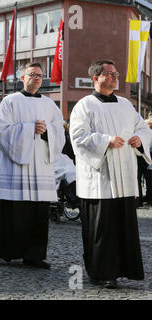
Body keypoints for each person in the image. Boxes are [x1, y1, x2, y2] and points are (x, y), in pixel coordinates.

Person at [69, 60, 151, 289]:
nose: (115, 77)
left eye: (116, 73)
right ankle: (101, 272)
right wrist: (106, 141)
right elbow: (77, 136)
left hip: (124, 176)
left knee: (123, 226)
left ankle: (124, 269)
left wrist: (140, 140)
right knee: (102, 229)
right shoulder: (84, 105)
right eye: (109, 74)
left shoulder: (125, 104)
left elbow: (142, 127)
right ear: (96, 78)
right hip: (99, 179)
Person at [0, 62, 65, 269]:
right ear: (22, 78)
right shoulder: (10, 101)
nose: (36, 78)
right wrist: (28, 129)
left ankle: (35, 255)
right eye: (32, 75)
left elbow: (59, 132)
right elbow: (3, 131)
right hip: (18, 167)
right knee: (17, 211)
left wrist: (46, 131)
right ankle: (9, 252)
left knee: (39, 213)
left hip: (41, 164)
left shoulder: (50, 104)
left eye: (40, 76)